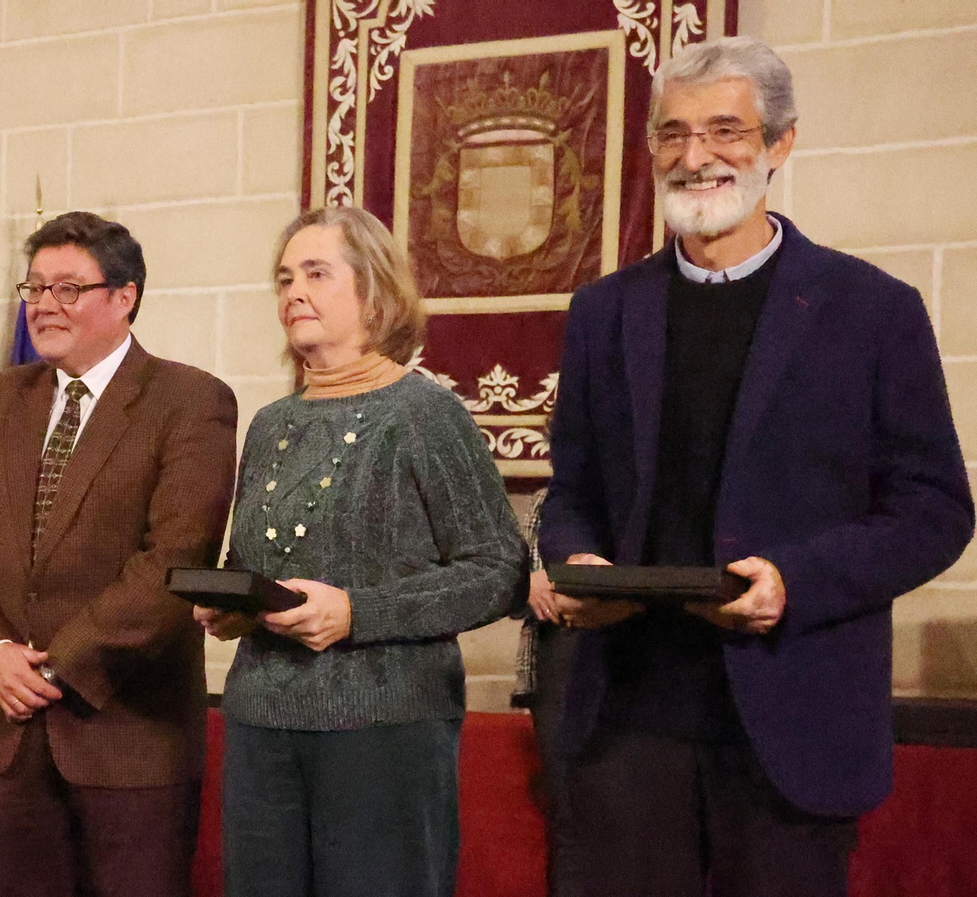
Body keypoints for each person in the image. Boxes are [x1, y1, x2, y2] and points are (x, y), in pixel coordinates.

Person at [540, 37, 974, 897]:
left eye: (725, 130)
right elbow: (574, 486)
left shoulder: (873, 311)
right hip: (624, 718)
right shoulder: (602, 311)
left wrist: (796, 581)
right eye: (672, 133)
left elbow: (935, 509)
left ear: (780, 144)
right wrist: (575, 558)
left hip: (793, 715)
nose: (695, 156)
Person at [198, 206, 526, 897]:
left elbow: (500, 571)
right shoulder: (271, 424)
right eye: (285, 278)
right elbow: (252, 556)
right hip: (260, 725)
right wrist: (231, 601)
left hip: (384, 732)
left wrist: (357, 612)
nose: (294, 292)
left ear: (375, 294)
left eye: (316, 273)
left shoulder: (424, 414)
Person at [0, 210, 238, 897]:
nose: (43, 305)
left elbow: (175, 558)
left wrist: (57, 664)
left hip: (129, 736)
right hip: (9, 733)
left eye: (67, 289)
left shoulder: (189, 400)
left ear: (123, 296)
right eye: (34, 287)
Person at [509, 487, 580, 897]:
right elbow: (516, 589)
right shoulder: (547, 501)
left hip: (630, 659)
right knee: (568, 815)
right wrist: (528, 586)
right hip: (559, 655)